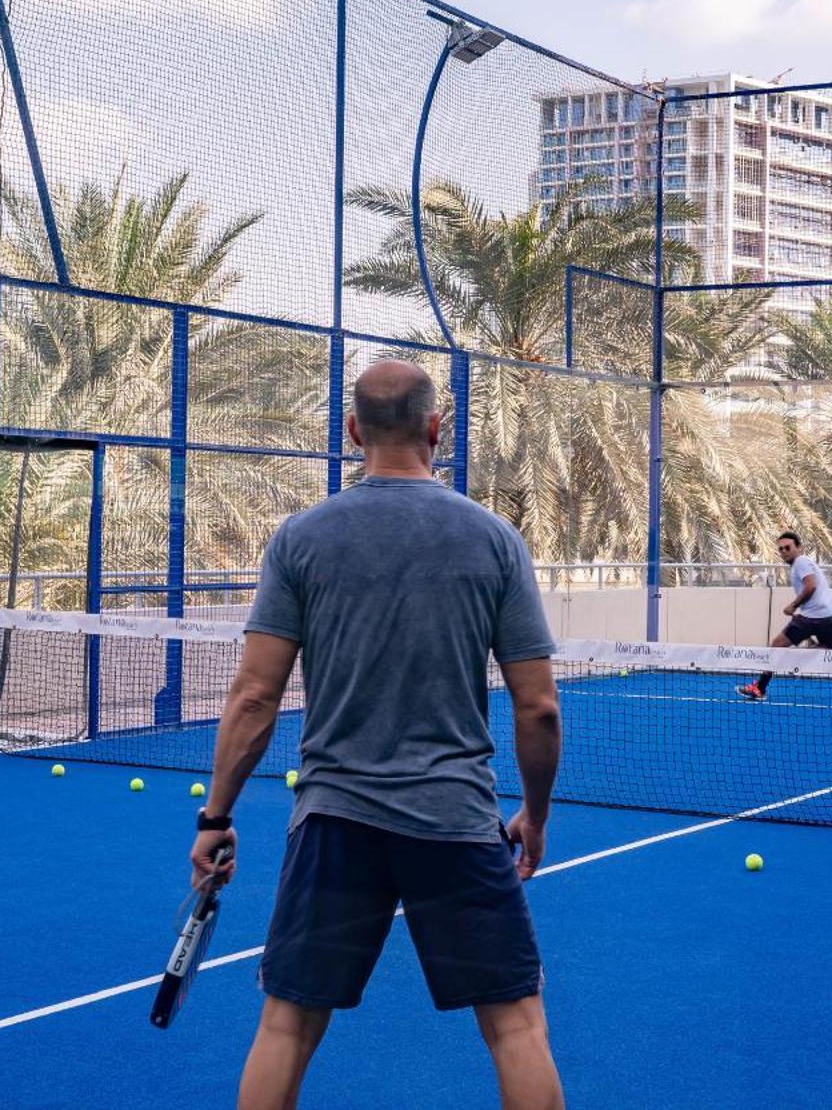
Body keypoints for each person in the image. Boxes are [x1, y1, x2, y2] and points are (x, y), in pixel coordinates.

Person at [188, 360, 565, 1110]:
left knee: (287, 1026)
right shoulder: (495, 540)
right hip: (456, 822)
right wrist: (536, 814)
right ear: (436, 430)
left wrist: (216, 817)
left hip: (336, 821)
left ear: (354, 431)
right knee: (517, 1027)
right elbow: (540, 707)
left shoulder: (301, 539)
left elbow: (255, 695)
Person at [737, 531, 832, 703]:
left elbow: (811, 586)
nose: (784, 551)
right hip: (829, 616)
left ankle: (760, 689)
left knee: (777, 645)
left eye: (788, 547)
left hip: (814, 618)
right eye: (781, 549)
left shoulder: (801, 562)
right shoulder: (801, 564)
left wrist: (793, 606)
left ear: (798, 548)